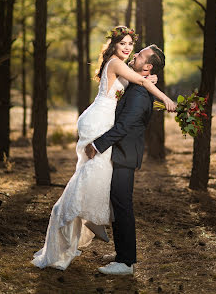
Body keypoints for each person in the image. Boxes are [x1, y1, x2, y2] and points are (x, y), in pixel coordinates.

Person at [31, 26, 175, 270]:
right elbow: (136, 81)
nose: (131, 51)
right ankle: (109, 242)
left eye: (136, 50)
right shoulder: (122, 68)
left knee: (114, 198)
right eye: (125, 44)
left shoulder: (135, 85)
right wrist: (161, 93)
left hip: (117, 145)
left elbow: (130, 110)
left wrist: (155, 87)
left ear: (148, 66)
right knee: (102, 190)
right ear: (115, 45)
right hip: (101, 127)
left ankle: (120, 254)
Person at [85, 44, 168, 275]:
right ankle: (122, 253)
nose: (134, 55)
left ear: (148, 65)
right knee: (118, 202)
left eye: (140, 55)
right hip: (122, 152)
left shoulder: (141, 93)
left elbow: (123, 126)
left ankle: (126, 262)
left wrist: (97, 145)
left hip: (125, 154)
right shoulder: (141, 85)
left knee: (123, 205)